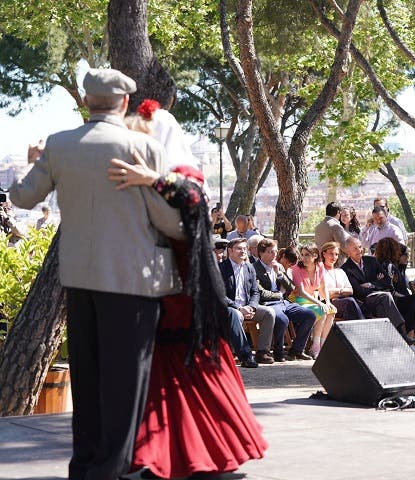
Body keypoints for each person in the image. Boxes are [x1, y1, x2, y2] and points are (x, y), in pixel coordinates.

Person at [10, 68, 185, 480]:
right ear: (124, 103)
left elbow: (22, 196)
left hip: (78, 278)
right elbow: (173, 224)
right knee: (126, 381)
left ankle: (85, 464)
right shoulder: (143, 147)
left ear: (87, 101)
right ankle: (112, 469)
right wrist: (164, 184)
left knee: (87, 379)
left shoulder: (59, 145)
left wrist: (34, 162)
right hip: (133, 281)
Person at [106, 158, 267, 477]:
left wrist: (154, 179)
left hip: (185, 301)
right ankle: (183, 452)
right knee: (177, 378)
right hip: (176, 298)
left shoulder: (184, 188)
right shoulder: (164, 205)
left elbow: (192, 197)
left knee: (182, 373)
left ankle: (187, 453)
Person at [341, 236, 415, 345]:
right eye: (355, 249)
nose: (359, 250)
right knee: (386, 296)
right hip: (364, 301)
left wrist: (371, 284)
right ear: (348, 251)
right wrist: (377, 284)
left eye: (360, 247)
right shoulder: (346, 269)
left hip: (379, 299)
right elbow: (358, 291)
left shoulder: (371, 261)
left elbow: (386, 281)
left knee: (385, 304)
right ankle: (401, 334)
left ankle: (393, 340)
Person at [253, 238, 316, 361]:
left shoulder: (279, 267)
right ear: (261, 253)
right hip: (268, 304)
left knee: (310, 315)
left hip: (284, 302)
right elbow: (260, 293)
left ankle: (296, 350)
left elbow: (291, 287)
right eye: (270, 252)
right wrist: (279, 295)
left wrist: (280, 275)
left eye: (275, 252)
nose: (274, 255)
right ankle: (278, 352)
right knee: (282, 319)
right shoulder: (254, 269)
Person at [219, 238, 277, 364]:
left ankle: (262, 352)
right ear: (230, 251)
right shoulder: (221, 268)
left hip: (248, 307)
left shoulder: (249, 268)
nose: (243, 251)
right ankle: (240, 354)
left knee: (269, 313)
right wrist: (239, 308)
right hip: (230, 308)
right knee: (237, 315)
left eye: (245, 248)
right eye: (239, 248)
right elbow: (220, 295)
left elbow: (255, 292)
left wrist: (252, 307)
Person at [374, 237, 415, 354]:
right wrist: (404, 297)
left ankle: (412, 336)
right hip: (391, 302)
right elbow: (390, 289)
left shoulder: (384, 264)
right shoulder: (388, 266)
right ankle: (411, 338)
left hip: (390, 300)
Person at [289, 243, 336, 358]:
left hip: (311, 301)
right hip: (297, 300)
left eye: (307, 255)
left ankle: (322, 344)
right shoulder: (296, 269)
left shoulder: (320, 266)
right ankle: (316, 347)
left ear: (315, 256)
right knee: (322, 311)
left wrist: (328, 302)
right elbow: (301, 292)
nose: (303, 258)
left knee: (331, 311)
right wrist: (320, 303)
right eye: (302, 255)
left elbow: (322, 287)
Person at [320, 241, 364, 320]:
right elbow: (324, 294)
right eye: (331, 253)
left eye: (336, 254)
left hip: (344, 302)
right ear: (324, 254)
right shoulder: (320, 271)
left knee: (361, 305)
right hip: (328, 303)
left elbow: (350, 291)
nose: (334, 257)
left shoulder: (340, 271)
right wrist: (342, 292)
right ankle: (364, 329)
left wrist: (336, 291)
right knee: (350, 302)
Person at [315, 202, 350, 266]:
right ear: (338, 212)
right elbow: (342, 245)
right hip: (336, 262)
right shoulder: (335, 226)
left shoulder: (318, 226)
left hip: (322, 261)